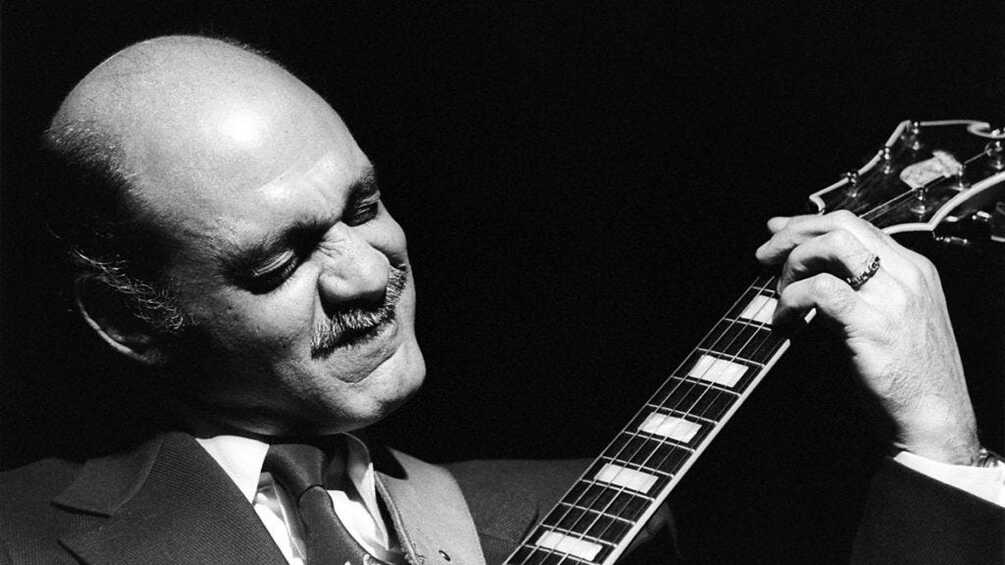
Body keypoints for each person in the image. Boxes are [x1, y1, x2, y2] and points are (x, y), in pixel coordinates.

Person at [0, 35, 1000, 564]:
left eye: (364, 206)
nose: (366, 274)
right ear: (130, 318)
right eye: (282, 258)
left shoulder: (590, 513)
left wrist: (944, 450)